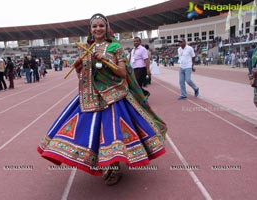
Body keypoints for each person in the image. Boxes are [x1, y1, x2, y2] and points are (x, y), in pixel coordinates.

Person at [37, 13, 167, 186]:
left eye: (101, 26)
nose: (98, 29)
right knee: (93, 133)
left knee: (112, 134)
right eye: (94, 26)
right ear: (90, 30)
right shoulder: (85, 48)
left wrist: (106, 60)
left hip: (114, 97)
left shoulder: (115, 47)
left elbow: (122, 73)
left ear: (106, 28)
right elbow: (83, 77)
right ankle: (101, 163)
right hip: (90, 97)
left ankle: (113, 167)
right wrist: (78, 68)